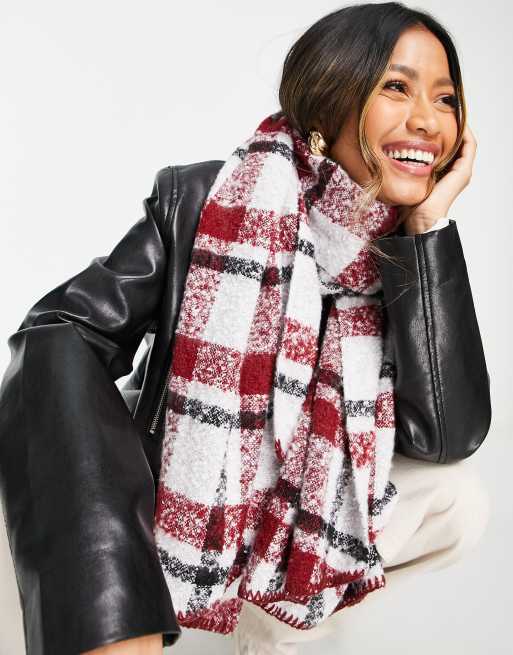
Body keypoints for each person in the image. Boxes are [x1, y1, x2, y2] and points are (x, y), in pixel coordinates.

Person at [0, 3, 490, 655]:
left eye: (445, 98)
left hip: (288, 522)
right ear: (327, 103)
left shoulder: (404, 252)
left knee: (457, 501)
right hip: (157, 501)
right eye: (396, 87)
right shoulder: (210, 199)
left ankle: (269, 618)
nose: (428, 120)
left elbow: (445, 439)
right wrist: (103, 571)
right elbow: (60, 331)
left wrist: (428, 231)